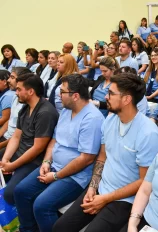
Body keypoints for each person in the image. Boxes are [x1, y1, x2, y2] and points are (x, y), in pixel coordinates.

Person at [52, 73, 158, 232]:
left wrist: (105, 199)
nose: (106, 97)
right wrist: (92, 187)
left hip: (125, 200)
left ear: (126, 99)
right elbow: (102, 158)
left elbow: (145, 181)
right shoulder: (110, 120)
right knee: (60, 228)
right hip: (101, 188)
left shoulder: (148, 133)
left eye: (111, 93)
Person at [13, 74, 104, 232]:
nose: (58, 95)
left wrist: (56, 176)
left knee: (42, 206)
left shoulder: (92, 119)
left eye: (62, 92)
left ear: (75, 96)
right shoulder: (66, 111)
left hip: (75, 176)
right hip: (54, 166)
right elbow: (54, 140)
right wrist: (46, 162)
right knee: (21, 191)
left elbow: (86, 159)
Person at [0, 73, 59, 205]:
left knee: (11, 193)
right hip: (20, 152)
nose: (16, 93)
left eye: (19, 89)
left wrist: (12, 165)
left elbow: (38, 148)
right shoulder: (25, 108)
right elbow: (16, 136)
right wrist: (5, 159)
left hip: (34, 160)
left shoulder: (45, 113)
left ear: (31, 91)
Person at [0, 67, 31, 153]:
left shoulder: (27, 104)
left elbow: (18, 136)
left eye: (12, 77)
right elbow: (9, 120)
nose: (8, 80)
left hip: (14, 142)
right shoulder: (14, 96)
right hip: (6, 137)